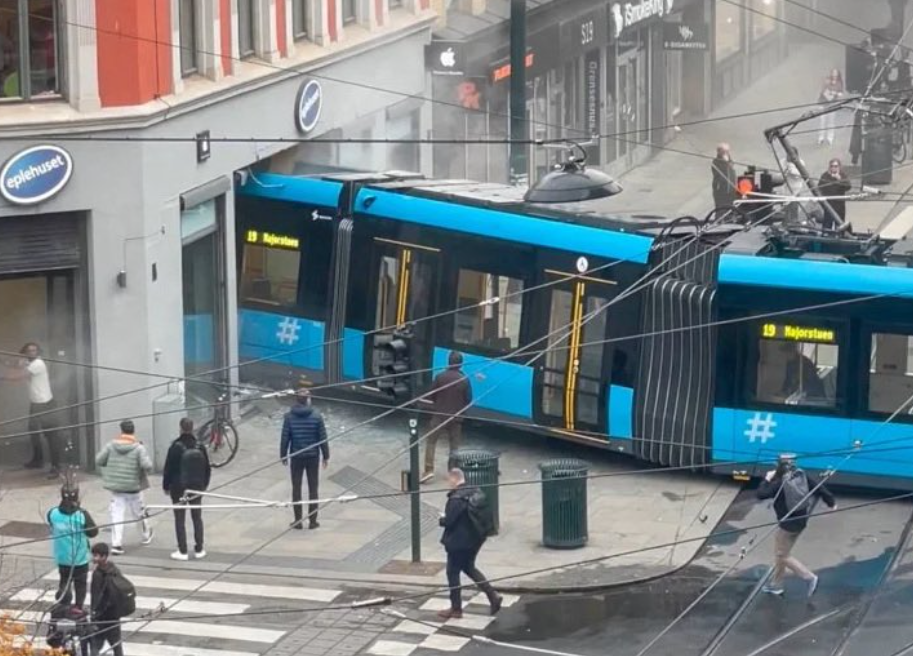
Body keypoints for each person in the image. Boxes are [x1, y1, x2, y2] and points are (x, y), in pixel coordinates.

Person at [757, 454, 836, 597]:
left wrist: (767, 479)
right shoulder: (801, 476)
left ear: (778, 466)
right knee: (780, 553)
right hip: (801, 521)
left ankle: (809, 577)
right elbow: (819, 488)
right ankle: (776, 584)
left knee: (782, 555)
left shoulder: (780, 483)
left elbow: (761, 494)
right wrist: (831, 502)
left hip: (787, 526)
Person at [438, 468, 502, 620]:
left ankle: (456, 609)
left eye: (449, 480)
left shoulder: (456, 499)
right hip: (476, 539)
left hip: (459, 542)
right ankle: (493, 596)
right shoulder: (475, 491)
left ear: (454, 479)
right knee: (469, 567)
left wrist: (441, 519)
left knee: (452, 573)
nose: (448, 483)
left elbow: (449, 521)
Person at [1, 342, 61, 476]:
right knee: (33, 432)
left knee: (51, 436)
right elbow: (16, 365)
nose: (32, 353)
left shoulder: (38, 364)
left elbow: (19, 375)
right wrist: (6, 361)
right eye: (29, 351)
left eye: (34, 350)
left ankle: (56, 467)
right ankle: (38, 460)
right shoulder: (29, 362)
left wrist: (2, 377)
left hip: (45, 404)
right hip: (36, 404)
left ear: (38, 352)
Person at [95, 420, 154, 555]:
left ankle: (117, 544)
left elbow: (99, 460)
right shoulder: (138, 448)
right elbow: (148, 466)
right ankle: (145, 535)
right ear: (133, 431)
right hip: (134, 488)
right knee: (139, 514)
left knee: (117, 515)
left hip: (117, 488)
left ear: (121, 431)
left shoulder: (111, 445)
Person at [162, 417, 211, 561]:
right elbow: (207, 468)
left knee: (179, 518)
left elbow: (168, 469)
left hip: (179, 487)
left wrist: (166, 486)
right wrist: (204, 485)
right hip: (196, 486)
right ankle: (199, 548)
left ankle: (182, 550)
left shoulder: (175, 446)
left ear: (181, 428)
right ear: (192, 428)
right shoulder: (200, 446)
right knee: (197, 517)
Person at [280, 388, 329, 529]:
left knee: (296, 488)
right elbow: (322, 438)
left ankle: (298, 521)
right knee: (313, 488)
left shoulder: (289, 417)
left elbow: (285, 437)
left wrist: (283, 454)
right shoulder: (317, 416)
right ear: (308, 400)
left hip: (296, 456)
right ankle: (313, 521)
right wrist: (326, 456)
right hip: (313, 457)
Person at [423, 351, 472, 483]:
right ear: (461, 364)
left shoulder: (440, 377)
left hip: (439, 415)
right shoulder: (464, 379)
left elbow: (431, 395)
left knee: (431, 441)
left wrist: (439, 403)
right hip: (456, 418)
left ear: (448, 362)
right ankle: (452, 471)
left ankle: (429, 470)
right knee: (454, 446)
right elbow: (468, 399)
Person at [47, 483, 98, 610]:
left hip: (62, 557)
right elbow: (93, 532)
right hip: (79, 558)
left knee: (64, 581)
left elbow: (51, 523)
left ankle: (64, 605)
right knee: (80, 584)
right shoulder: (81, 515)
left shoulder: (53, 513)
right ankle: (78, 607)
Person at [89, 543, 125, 656]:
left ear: (104, 556)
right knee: (116, 644)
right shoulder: (115, 570)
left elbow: (95, 596)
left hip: (101, 616)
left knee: (95, 644)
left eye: (96, 556)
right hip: (114, 614)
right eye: (93, 555)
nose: (94, 558)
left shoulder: (97, 574)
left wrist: (93, 614)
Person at [817, 158, 852, 227]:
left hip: (839, 205)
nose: (833, 168)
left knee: (839, 224)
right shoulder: (825, 175)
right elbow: (819, 187)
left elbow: (848, 186)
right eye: (832, 166)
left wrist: (840, 179)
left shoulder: (842, 175)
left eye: (835, 166)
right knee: (827, 224)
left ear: (839, 167)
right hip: (829, 204)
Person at [818, 69, 844, 146]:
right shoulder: (827, 81)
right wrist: (830, 94)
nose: (834, 75)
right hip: (823, 103)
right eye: (833, 73)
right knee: (822, 121)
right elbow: (823, 91)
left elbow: (840, 93)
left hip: (832, 104)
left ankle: (830, 138)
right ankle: (821, 138)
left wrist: (835, 93)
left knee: (831, 122)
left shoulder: (839, 83)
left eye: (836, 73)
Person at [711, 143, 737, 219]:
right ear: (719, 152)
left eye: (728, 151)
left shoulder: (730, 161)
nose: (726, 153)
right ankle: (719, 220)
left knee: (731, 206)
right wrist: (726, 160)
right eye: (724, 151)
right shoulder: (716, 162)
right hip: (721, 189)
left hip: (731, 189)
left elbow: (731, 166)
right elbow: (722, 169)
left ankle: (730, 218)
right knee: (721, 207)